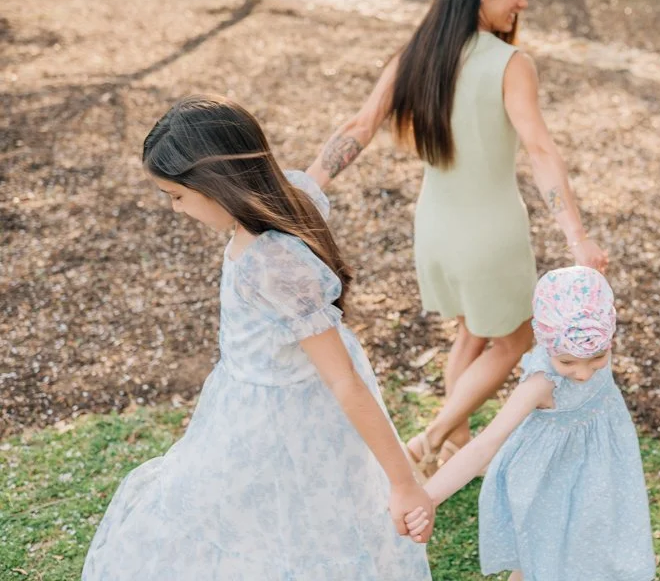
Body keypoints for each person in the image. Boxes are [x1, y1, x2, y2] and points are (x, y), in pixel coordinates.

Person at [83, 95, 432, 581]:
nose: (175, 209)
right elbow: (332, 157)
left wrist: (404, 483)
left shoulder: (270, 263)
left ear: (214, 185)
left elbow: (345, 383)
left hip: (282, 418)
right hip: (251, 402)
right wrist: (385, 94)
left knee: (287, 532)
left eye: (176, 195)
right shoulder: (284, 197)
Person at [307, 0, 608, 479]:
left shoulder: (416, 56)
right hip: (490, 234)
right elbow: (540, 149)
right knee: (516, 338)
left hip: (436, 230)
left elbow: (360, 127)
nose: (522, 3)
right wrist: (576, 237)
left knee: (472, 333)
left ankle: (452, 445)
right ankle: (431, 439)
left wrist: (307, 186)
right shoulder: (511, 63)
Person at [405, 266, 656, 581]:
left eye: (597, 358)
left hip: (597, 469)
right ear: (546, 342)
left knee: (588, 544)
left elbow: (587, 286)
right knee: (540, 557)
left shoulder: (592, 332)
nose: (583, 373)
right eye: (567, 362)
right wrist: (429, 497)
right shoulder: (541, 384)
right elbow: (485, 445)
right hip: (549, 478)